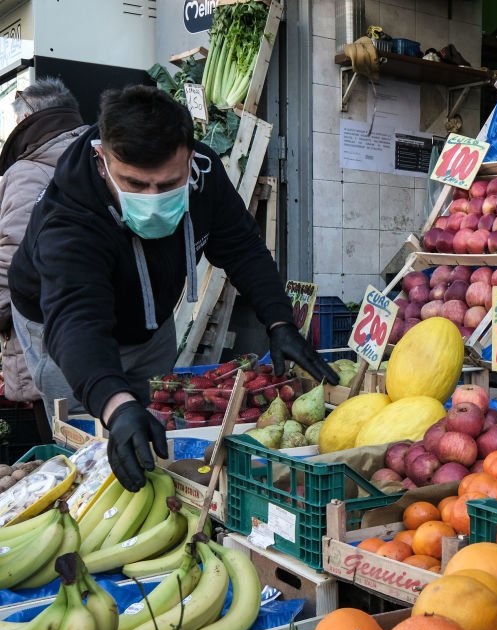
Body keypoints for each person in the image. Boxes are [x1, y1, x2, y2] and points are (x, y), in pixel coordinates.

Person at [9, 85, 338, 491]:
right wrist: (115, 404)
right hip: (59, 327)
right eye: (134, 183)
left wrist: (278, 320)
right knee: (94, 439)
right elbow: (76, 321)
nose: (152, 198)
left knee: (154, 421)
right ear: (102, 157)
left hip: (150, 320)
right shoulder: (69, 219)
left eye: (167, 185)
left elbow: (242, 248)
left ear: (189, 154)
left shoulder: (204, 172)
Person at [0, 78, 88, 449]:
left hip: (42, 335)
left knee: (63, 453)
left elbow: (12, 254)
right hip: (97, 333)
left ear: (30, 119)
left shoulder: (28, 171)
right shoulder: (95, 157)